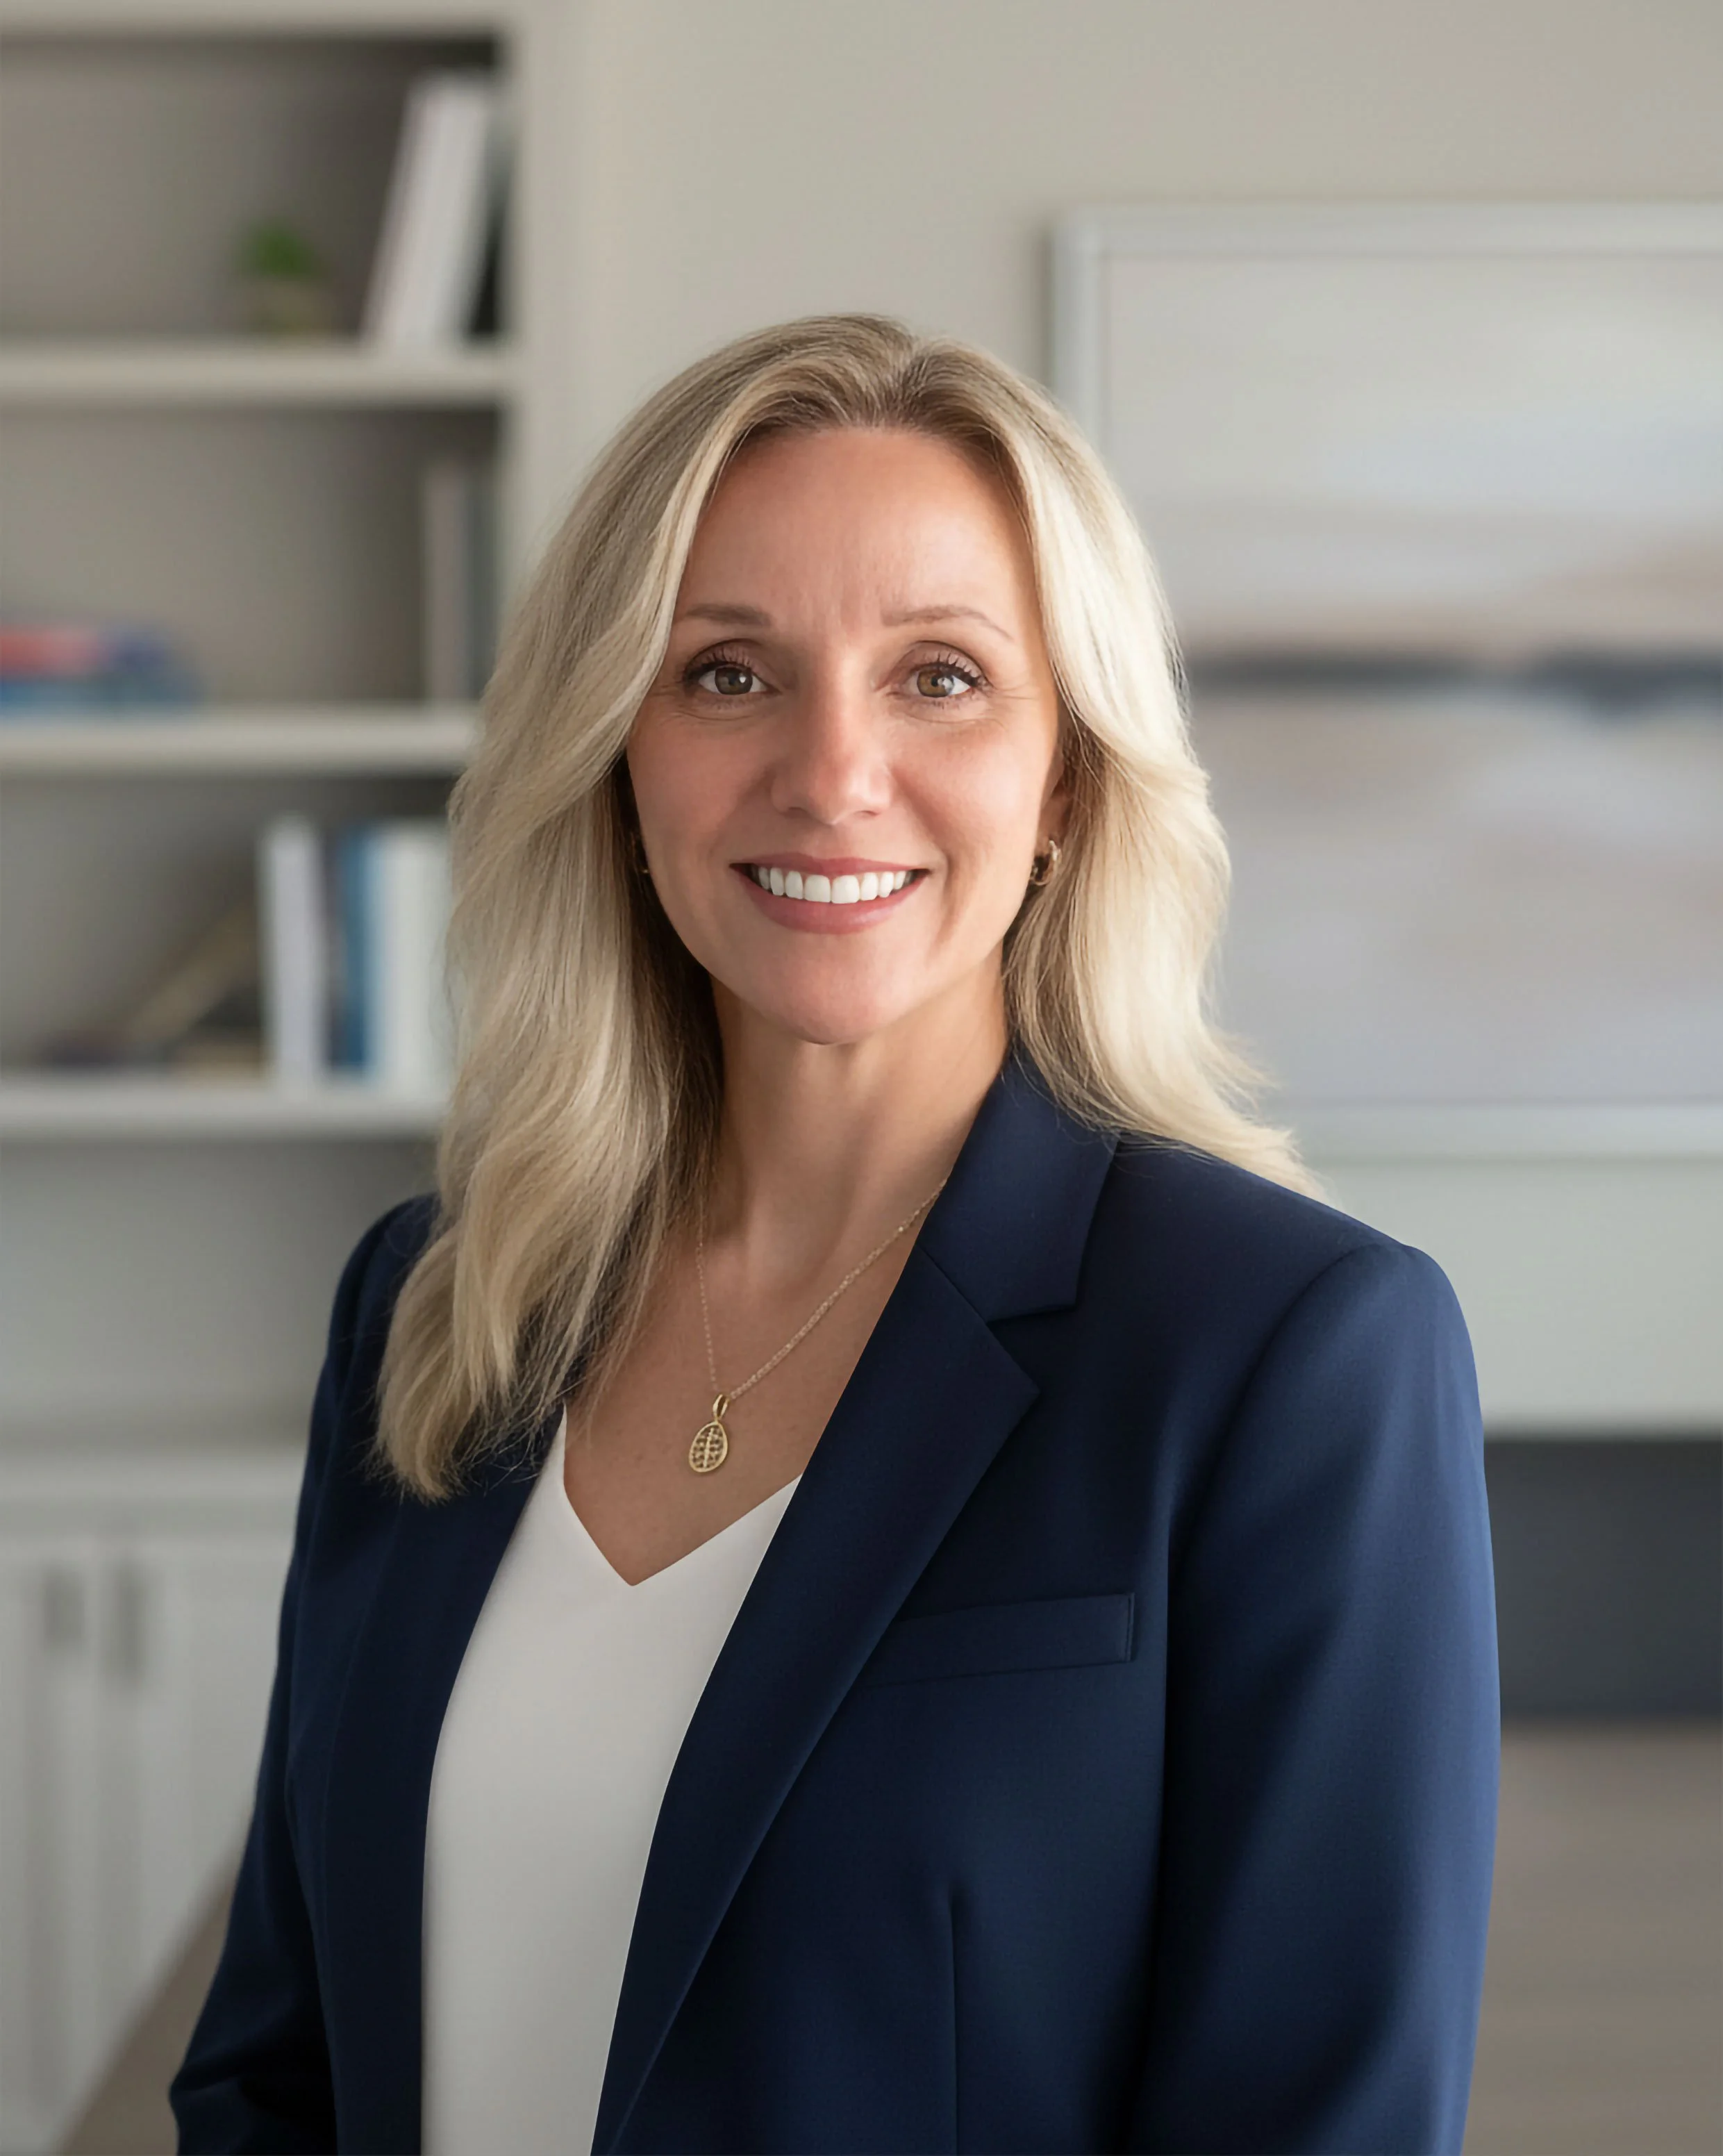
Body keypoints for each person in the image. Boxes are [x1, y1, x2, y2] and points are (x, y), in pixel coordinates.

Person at [170, 314, 1499, 2156]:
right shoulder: (436, 1305)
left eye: (941, 677)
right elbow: (278, 2064)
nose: (832, 771)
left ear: (1067, 783)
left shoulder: (1288, 1352)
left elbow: (1318, 2122)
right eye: (728, 674)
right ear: (618, 753)